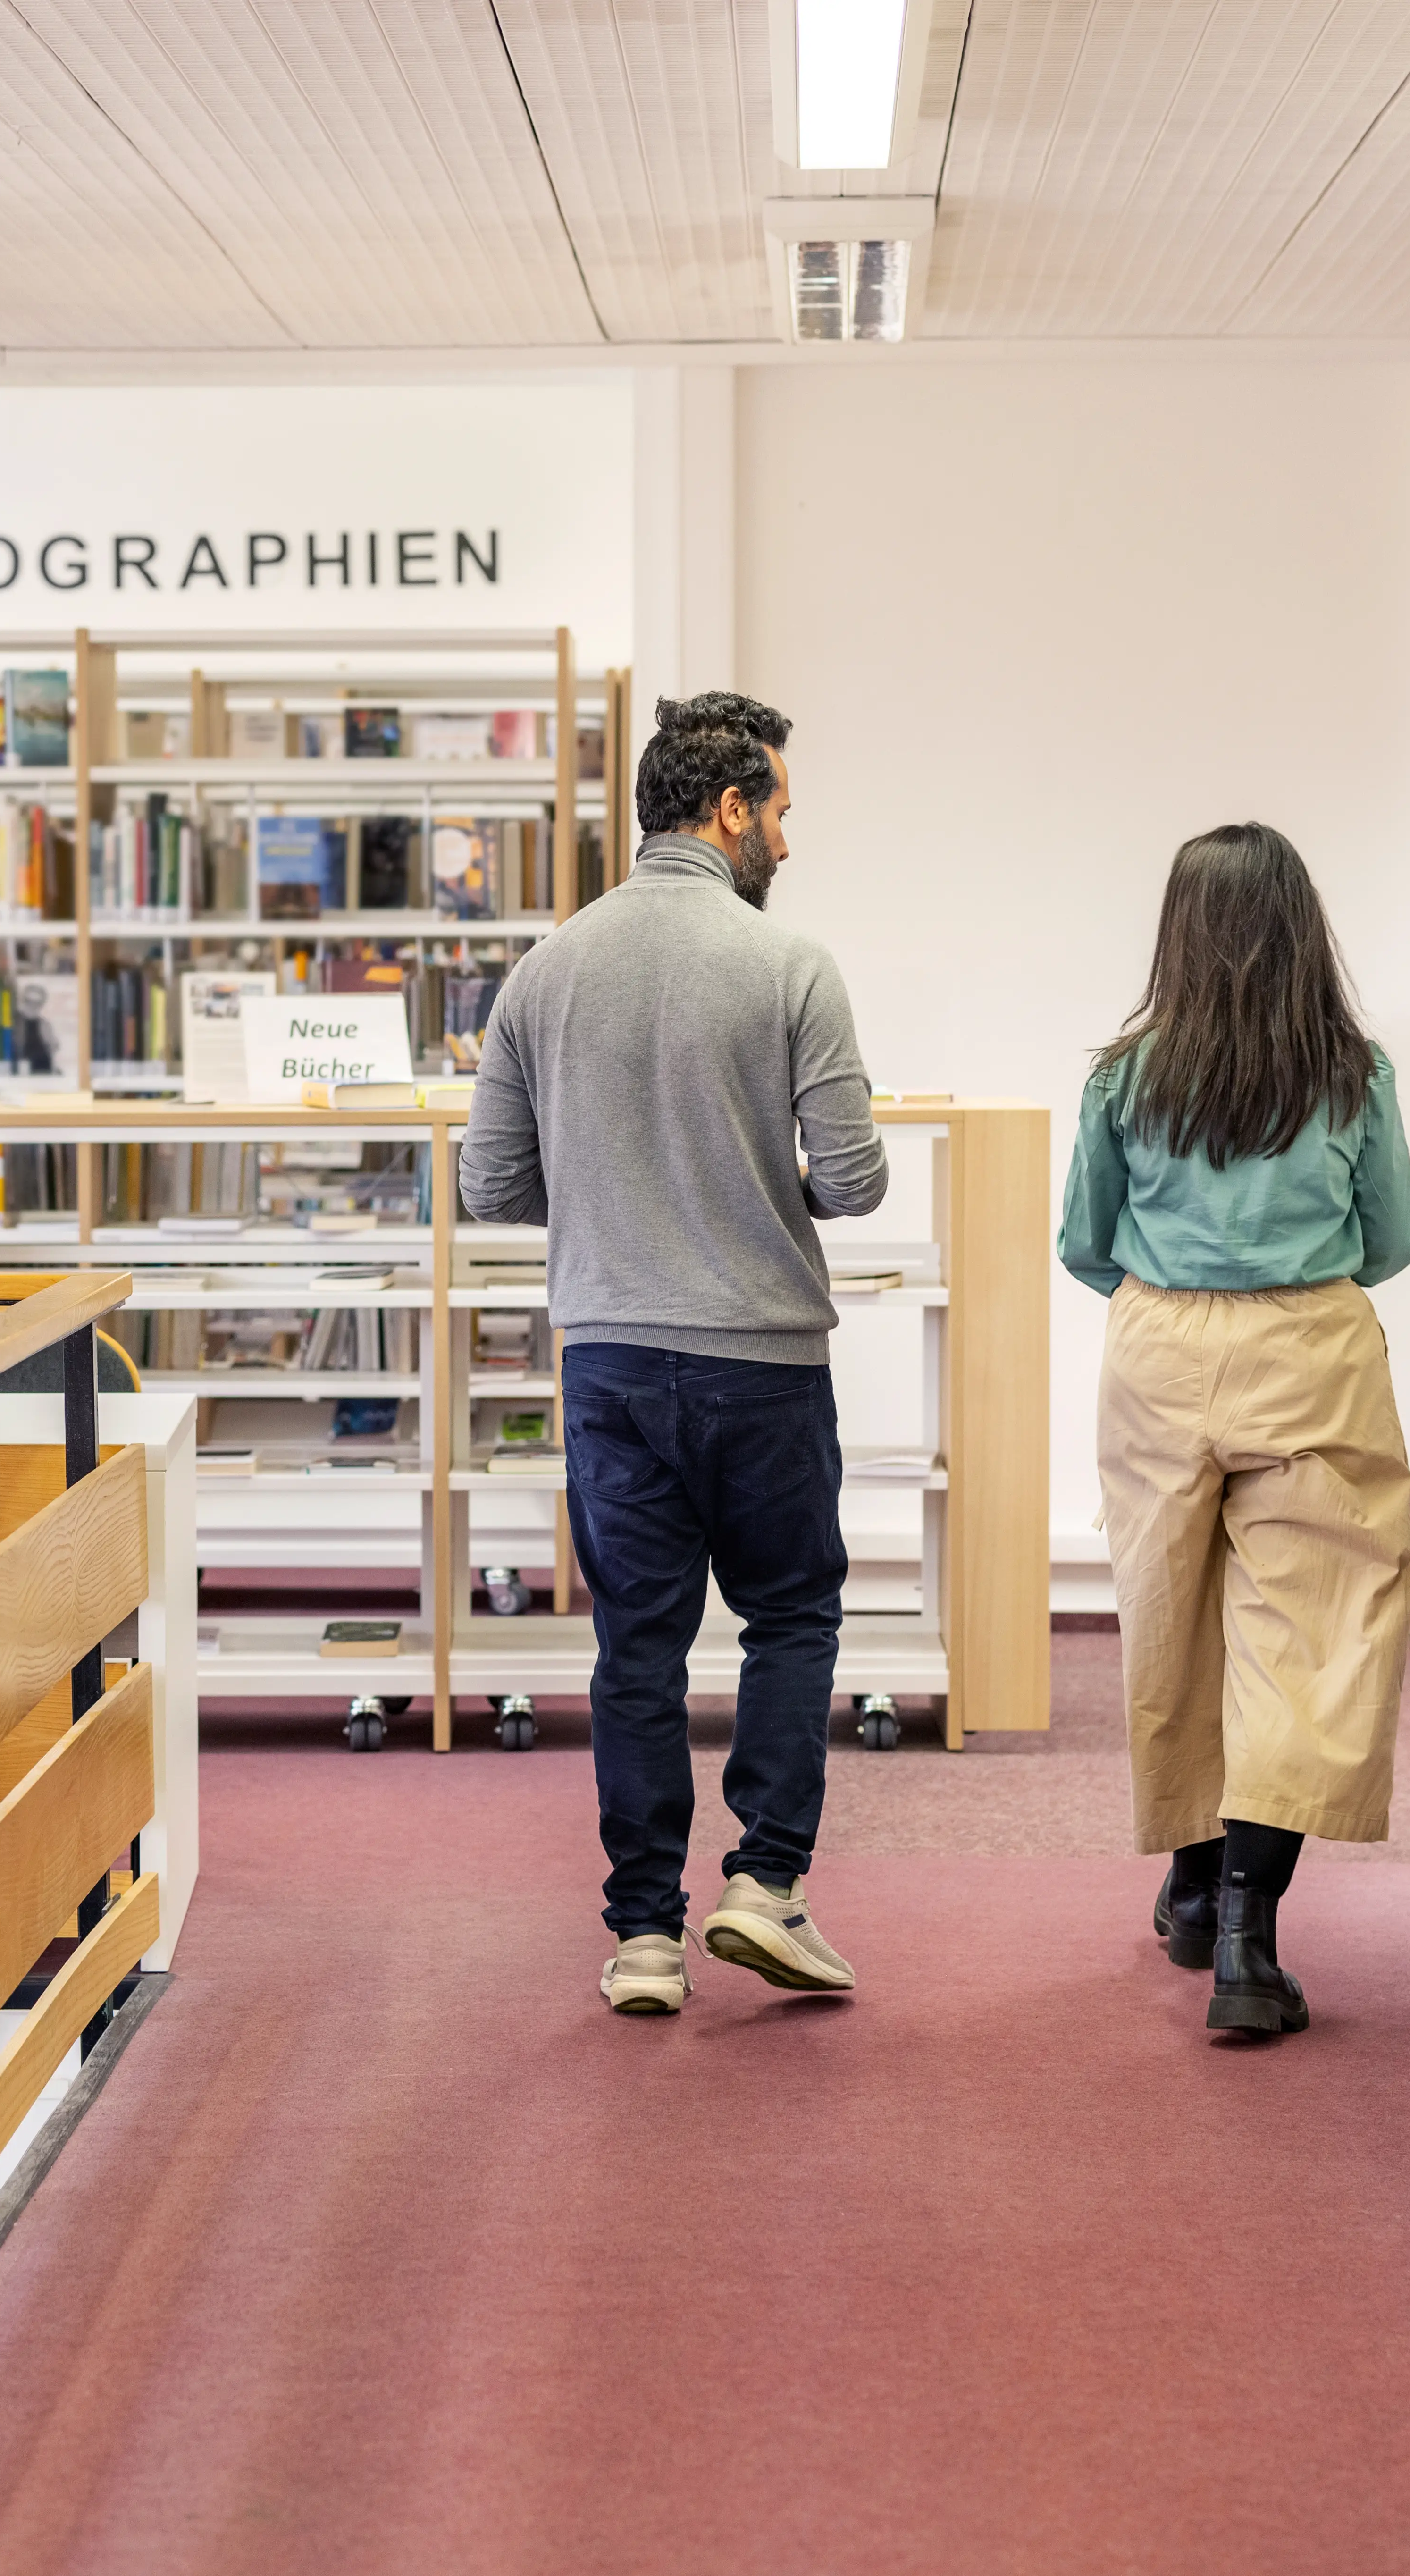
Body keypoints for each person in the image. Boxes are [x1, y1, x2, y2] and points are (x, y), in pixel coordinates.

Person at [458, 690, 887, 2016]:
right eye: (781, 814)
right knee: (794, 1616)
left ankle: (644, 1936)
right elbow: (858, 1181)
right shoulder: (792, 967)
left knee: (637, 1647)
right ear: (729, 811)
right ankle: (764, 1886)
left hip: (612, 1361)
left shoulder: (544, 970)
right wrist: (756, 1188)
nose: (788, 845)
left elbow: (490, 1187)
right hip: (762, 1361)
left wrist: (620, 1195)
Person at [1057, 822, 1410, 2039]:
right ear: (1301, 929)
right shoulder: (1351, 1073)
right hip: (1313, 1353)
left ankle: (1190, 1874)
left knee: (1172, 1622)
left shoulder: (1123, 1077)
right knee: (1308, 1637)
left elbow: (1083, 1247)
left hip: (1157, 1355)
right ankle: (1247, 1941)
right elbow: (1392, 1244)